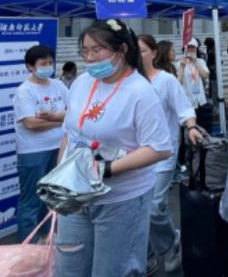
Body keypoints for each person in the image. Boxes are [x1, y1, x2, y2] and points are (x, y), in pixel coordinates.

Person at [56, 19, 172, 277]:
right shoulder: (81, 82)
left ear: (122, 50)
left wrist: (107, 169)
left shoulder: (141, 92)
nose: (89, 58)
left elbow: (160, 148)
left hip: (121, 199)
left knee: (112, 270)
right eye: (85, 51)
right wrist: (60, 178)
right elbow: (70, 133)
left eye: (96, 50)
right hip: (76, 195)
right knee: (69, 268)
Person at [137, 35, 203, 274]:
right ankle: (146, 255)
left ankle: (173, 244)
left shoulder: (166, 80)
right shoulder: (130, 81)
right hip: (133, 157)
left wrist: (191, 127)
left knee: (154, 207)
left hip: (162, 153)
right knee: (138, 209)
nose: (138, 55)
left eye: (143, 50)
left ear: (154, 53)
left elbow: (185, 109)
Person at [13, 44, 68, 241]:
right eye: (43, 63)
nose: (48, 66)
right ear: (30, 66)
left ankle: (46, 241)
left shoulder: (58, 85)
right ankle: (26, 245)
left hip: (59, 148)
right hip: (34, 151)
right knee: (32, 201)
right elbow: (30, 123)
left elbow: (74, 111)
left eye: (50, 63)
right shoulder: (25, 91)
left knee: (52, 198)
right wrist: (60, 120)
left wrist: (54, 119)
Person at [177, 38, 212, 131]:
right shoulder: (179, 64)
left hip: (200, 100)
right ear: (184, 49)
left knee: (202, 128)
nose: (191, 50)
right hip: (187, 102)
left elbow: (205, 76)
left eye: (193, 48)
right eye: (189, 47)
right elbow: (178, 83)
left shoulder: (201, 62)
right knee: (190, 129)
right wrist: (182, 67)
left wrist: (195, 62)